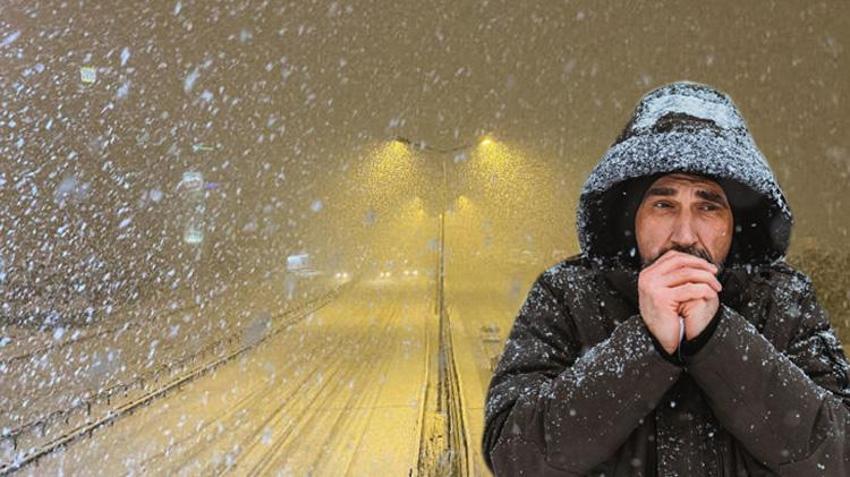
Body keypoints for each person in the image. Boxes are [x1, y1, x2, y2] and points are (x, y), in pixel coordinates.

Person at [482, 80, 850, 476]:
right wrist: (646, 345)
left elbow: (837, 454)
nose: (685, 235)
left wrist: (718, 339)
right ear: (631, 218)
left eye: (708, 207)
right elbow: (514, 454)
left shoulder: (784, 301)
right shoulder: (567, 295)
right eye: (663, 204)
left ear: (736, 224)